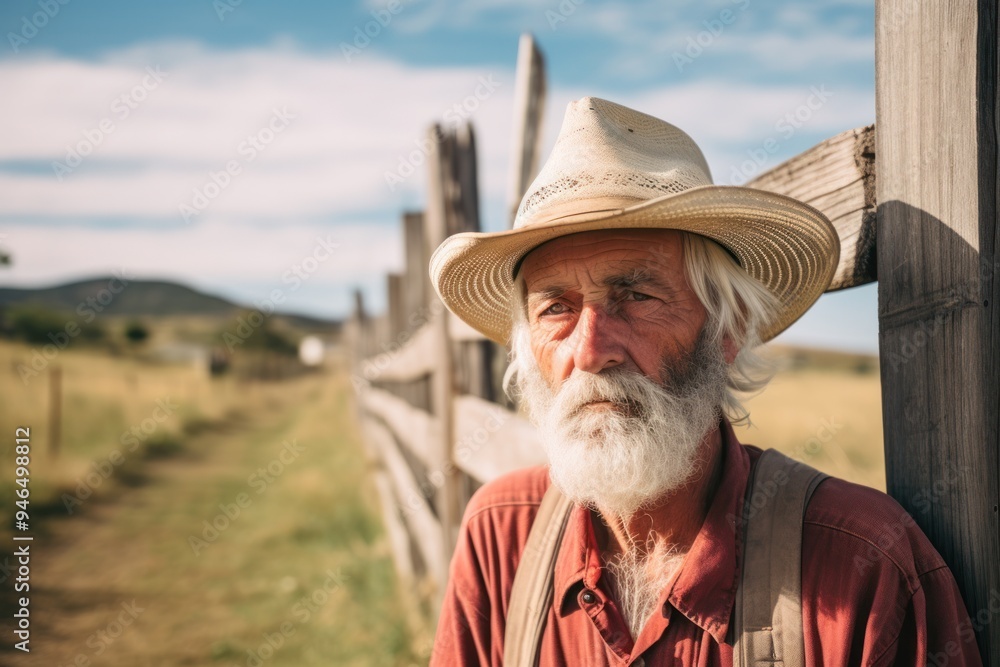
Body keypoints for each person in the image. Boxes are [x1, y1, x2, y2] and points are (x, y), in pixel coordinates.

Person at [427, 97, 982, 666]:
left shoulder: (863, 564)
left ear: (727, 328)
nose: (590, 352)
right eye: (555, 309)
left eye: (636, 296)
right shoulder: (500, 536)